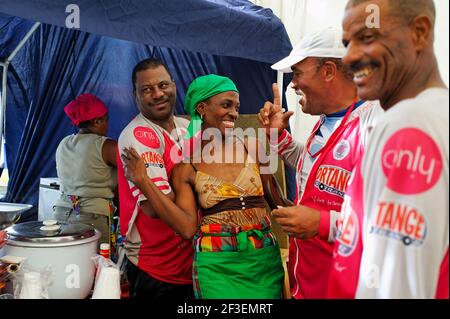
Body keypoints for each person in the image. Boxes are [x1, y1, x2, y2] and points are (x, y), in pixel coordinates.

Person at [121, 74, 285, 299]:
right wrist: (143, 181)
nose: (234, 113)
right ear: (202, 108)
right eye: (226, 105)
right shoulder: (186, 168)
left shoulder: (253, 148)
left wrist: (277, 136)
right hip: (216, 267)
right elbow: (187, 228)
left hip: (263, 261)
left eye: (236, 106)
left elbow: (280, 205)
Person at [327, 0, 448, 299]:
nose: (350, 56)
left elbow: (395, 287)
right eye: (347, 43)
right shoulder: (434, 116)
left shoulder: (409, 125)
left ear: (419, 32)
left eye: (367, 38)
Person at [258, 27, 382, 299]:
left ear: (328, 71)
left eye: (298, 73)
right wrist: (278, 137)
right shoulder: (326, 121)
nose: (293, 83)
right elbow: (312, 166)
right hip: (310, 281)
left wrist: (322, 223)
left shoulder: (376, 127)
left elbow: (386, 223)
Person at [117, 58, 193, 300]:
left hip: (190, 264)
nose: (158, 94)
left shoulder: (184, 126)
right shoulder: (139, 135)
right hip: (157, 270)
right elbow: (154, 207)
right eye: (147, 90)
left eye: (163, 85)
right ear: (135, 95)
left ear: (174, 85)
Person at [54, 93, 117, 247]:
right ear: (97, 121)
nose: (108, 125)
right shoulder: (106, 145)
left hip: (60, 213)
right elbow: (132, 172)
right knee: (95, 267)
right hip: (92, 218)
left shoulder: (64, 142)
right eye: (106, 120)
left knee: (64, 265)